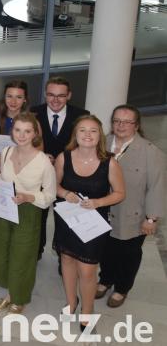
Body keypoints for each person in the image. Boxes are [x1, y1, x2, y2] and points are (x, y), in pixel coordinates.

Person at [53, 115, 125, 331]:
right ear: (75, 134)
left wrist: (99, 202)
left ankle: (87, 310)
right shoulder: (63, 158)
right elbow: (53, 185)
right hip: (67, 219)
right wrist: (65, 193)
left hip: (93, 223)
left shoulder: (109, 162)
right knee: (66, 260)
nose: (87, 134)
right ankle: (71, 301)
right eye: (82, 130)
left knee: (87, 270)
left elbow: (120, 193)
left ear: (99, 135)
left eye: (93, 130)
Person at [98, 105, 165, 307]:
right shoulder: (102, 143)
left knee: (128, 253)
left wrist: (151, 218)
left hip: (133, 214)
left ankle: (122, 287)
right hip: (103, 210)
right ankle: (105, 279)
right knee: (105, 249)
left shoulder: (150, 152)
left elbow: (158, 187)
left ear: (136, 126)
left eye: (127, 122)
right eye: (117, 121)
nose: (121, 125)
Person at [0, 112, 56, 314]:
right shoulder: (7, 152)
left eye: (27, 131)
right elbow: (2, 179)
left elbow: (50, 195)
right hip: (4, 211)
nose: (22, 135)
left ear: (35, 133)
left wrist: (29, 197)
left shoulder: (43, 161)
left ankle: (17, 297)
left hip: (29, 213)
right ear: (12, 131)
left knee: (22, 257)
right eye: (18, 130)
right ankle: (9, 290)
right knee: (2, 254)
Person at [31, 76, 88, 259]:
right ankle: (36, 251)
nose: (55, 100)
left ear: (69, 95)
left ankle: (65, 256)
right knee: (37, 217)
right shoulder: (33, 113)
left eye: (61, 96)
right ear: (45, 95)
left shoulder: (81, 115)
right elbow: (25, 141)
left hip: (69, 177)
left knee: (66, 218)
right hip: (39, 175)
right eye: (51, 95)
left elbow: (85, 145)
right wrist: (40, 156)